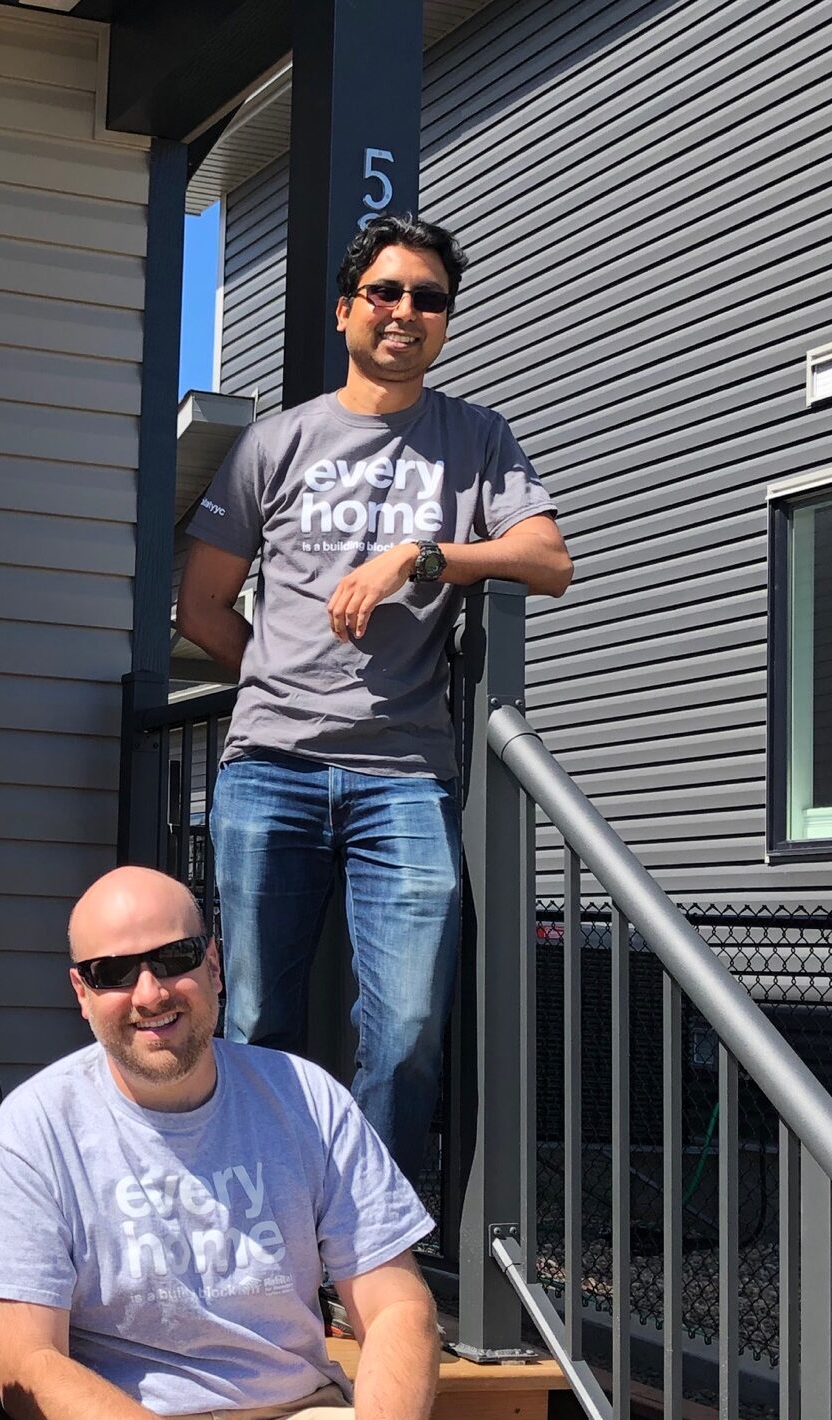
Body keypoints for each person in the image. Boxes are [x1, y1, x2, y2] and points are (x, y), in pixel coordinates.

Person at [0, 866, 551, 1420]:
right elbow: (28, 1362)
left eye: (172, 960)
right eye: (113, 971)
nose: (149, 993)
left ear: (214, 965)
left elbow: (396, 1306)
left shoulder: (303, 1097)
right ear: (82, 993)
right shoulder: (39, 1126)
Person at [177, 213, 574, 1181]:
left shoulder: (475, 439)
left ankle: (370, 1245)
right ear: (346, 309)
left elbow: (547, 559)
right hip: (269, 768)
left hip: (404, 774)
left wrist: (422, 555)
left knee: (406, 1027)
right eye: (387, 293)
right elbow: (200, 605)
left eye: (428, 298)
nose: (406, 312)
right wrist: (278, 675)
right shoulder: (277, 444)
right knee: (258, 1017)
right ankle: (260, 1228)